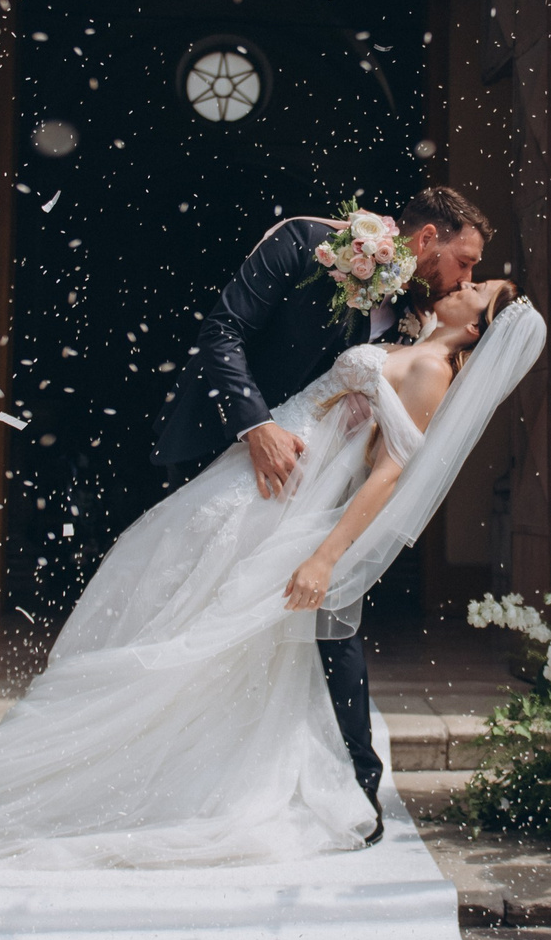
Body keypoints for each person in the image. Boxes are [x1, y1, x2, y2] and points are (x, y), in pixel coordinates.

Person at [0, 282, 544, 867]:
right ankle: (121, 756)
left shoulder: (431, 368)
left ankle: (147, 767)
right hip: (266, 464)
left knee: (198, 614)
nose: (463, 284)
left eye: (476, 289)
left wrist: (324, 557)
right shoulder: (412, 340)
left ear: (477, 328)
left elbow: (387, 473)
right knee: (170, 580)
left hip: (287, 496)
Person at [153, 186, 489, 842]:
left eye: (475, 275)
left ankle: (353, 786)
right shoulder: (307, 243)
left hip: (319, 487)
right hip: (234, 455)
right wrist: (257, 427)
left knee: (323, 628)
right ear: (426, 241)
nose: (467, 277)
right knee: (201, 610)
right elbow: (223, 330)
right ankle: (180, 766)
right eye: (466, 261)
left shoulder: (423, 318)